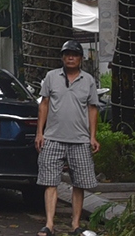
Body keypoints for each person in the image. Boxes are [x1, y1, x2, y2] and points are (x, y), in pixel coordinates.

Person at [35, 40, 100, 236]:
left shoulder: (88, 80)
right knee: (50, 181)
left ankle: (76, 224)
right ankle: (49, 224)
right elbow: (44, 104)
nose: (70, 57)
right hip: (53, 137)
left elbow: (92, 108)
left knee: (79, 183)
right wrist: (40, 132)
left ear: (80, 58)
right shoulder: (51, 77)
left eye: (74, 54)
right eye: (67, 54)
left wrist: (93, 136)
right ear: (62, 57)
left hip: (79, 139)